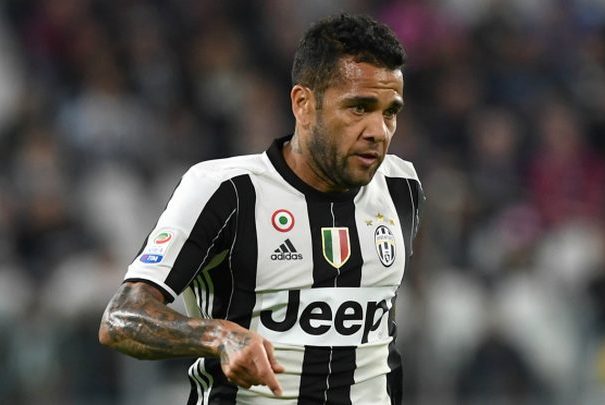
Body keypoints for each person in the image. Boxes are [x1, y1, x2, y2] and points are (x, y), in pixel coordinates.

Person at [99, 13, 423, 405]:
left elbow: (383, 339)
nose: (378, 131)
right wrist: (218, 336)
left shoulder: (401, 186)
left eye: (390, 112)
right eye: (358, 108)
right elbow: (122, 318)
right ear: (303, 104)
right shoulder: (227, 191)